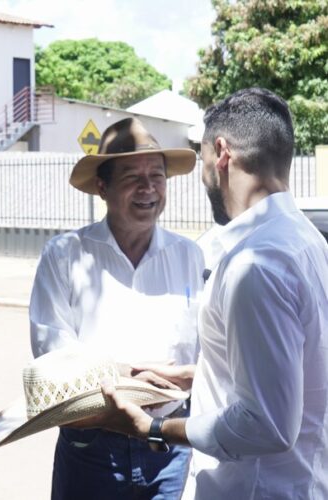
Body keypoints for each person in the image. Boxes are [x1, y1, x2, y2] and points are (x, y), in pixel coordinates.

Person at [80, 88, 328, 499]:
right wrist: (202, 373)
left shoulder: (256, 264)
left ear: (222, 153)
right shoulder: (306, 241)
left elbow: (266, 424)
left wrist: (153, 428)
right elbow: (293, 371)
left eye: (203, 159)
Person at [29, 117, 205, 500]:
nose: (148, 188)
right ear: (102, 187)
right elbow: (51, 357)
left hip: (170, 448)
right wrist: (128, 376)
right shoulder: (65, 256)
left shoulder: (190, 255)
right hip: (91, 446)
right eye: (132, 177)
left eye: (156, 176)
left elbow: (209, 350)